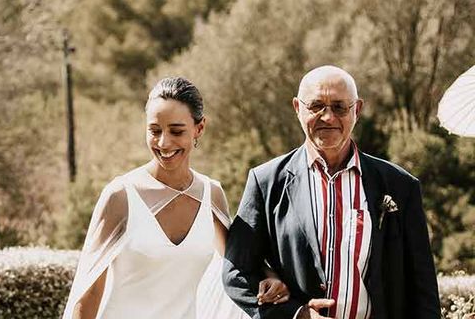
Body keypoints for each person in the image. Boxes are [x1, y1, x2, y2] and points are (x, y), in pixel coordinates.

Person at [223, 65, 441, 319]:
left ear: (357, 110)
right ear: (297, 108)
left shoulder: (400, 186)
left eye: (339, 107)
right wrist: (297, 314)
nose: (327, 117)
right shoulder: (266, 182)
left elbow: (423, 287)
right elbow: (236, 272)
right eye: (316, 106)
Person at [62, 77, 290, 319]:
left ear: (199, 128)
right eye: (155, 131)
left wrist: (271, 276)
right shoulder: (120, 196)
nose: (163, 142)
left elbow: (237, 263)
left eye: (176, 131)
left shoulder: (211, 194)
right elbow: (89, 293)